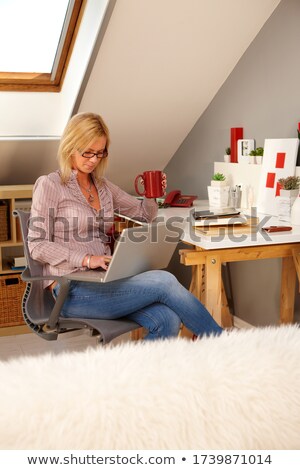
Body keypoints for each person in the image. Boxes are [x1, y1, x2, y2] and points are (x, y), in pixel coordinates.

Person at [28, 112, 223, 340]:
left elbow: (143, 214)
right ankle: (224, 344)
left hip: (104, 281)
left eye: (99, 153)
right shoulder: (50, 185)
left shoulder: (102, 186)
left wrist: (152, 195)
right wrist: (87, 259)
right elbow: (37, 245)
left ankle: (141, 375)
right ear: (70, 146)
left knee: (167, 319)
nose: (93, 160)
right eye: (87, 152)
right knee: (164, 280)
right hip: (71, 290)